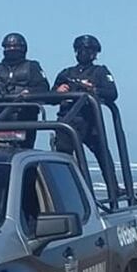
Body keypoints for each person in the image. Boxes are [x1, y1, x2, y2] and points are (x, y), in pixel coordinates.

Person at [53, 34, 120, 198]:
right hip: (67, 122)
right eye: (81, 49)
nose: (84, 53)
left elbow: (112, 93)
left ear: (95, 53)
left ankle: (113, 189)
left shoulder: (100, 72)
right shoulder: (66, 73)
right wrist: (58, 91)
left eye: (88, 50)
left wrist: (93, 90)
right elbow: (49, 96)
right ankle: (68, 193)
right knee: (63, 159)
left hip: (90, 122)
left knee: (103, 155)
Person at [0, 32, 49, 147]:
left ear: (23, 49)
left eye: (15, 47)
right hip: (0, 121)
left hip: (25, 121)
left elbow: (44, 89)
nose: (11, 49)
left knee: (23, 153)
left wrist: (29, 93)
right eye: (8, 47)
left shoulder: (32, 67)